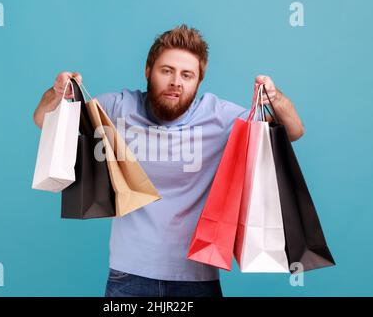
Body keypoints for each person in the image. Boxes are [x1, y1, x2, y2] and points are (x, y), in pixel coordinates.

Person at [33, 24, 305, 297]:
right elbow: (43, 120)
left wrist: (274, 97)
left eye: (187, 75)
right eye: (167, 71)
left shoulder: (219, 117)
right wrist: (57, 94)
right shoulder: (118, 108)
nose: (176, 81)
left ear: (198, 82)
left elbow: (292, 130)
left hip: (197, 278)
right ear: (148, 71)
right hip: (128, 276)